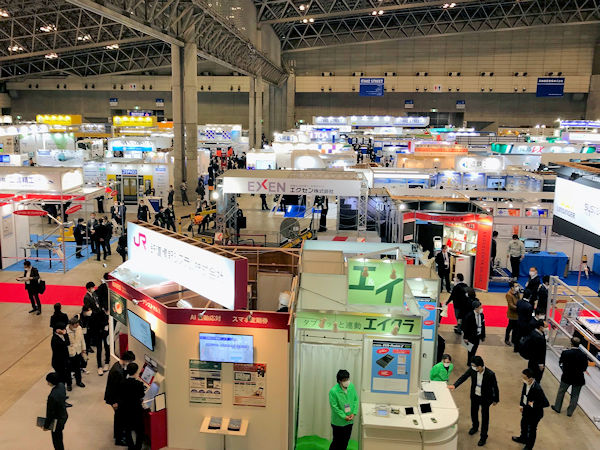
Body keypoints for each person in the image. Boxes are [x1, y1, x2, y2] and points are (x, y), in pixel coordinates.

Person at [448, 356, 499, 447]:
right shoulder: (472, 370)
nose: (473, 367)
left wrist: (496, 399)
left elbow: (495, 387)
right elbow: (464, 377)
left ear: (480, 366)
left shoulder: (490, 374)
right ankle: (475, 427)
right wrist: (455, 385)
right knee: (473, 412)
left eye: (474, 366)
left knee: (485, 417)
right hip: (475, 396)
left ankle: (483, 437)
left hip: (485, 398)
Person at [512, 368, 549, 449]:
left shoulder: (537, 389)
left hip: (535, 414)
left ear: (530, 378)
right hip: (527, 410)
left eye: (524, 378)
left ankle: (529, 447)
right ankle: (523, 438)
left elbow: (546, 403)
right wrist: (521, 405)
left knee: (531, 430)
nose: (522, 379)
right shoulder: (526, 383)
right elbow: (523, 394)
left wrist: (533, 404)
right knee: (523, 424)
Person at [105, 350, 136, 446]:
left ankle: (119, 435)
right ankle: (119, 439)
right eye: (130, 361)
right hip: (115, 399)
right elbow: (113, 388)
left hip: (116, 398)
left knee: (119, 418)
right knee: (119, 419)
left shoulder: (118, 366)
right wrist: (114, 402)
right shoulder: (116, 371)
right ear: (127, 360)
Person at [552, 337, 589, 417]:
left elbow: (560, 363)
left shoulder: (565, 353)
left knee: (561, 392)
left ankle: (557, 407)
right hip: (579, 378)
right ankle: (570, 412)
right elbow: (584, 368)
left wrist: (564, 370)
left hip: (566, 376)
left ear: (571, 343)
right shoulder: (583, 355)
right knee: (575, 395)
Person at [328, 369, 359, 450]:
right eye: (344, 380)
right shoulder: (333, 391)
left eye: (347, 379)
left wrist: (354, 413)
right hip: (338, 422)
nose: (347, 381)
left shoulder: (351, 386)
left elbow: (356, 400)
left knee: (345, 442)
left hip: (349, 421)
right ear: (339, 381)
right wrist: (344, 416)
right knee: (336, 442)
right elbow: (334, 407)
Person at [120, 363, 146, 450]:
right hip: (136, 411)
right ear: (136, 372)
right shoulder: (139, 384)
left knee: (128, 430)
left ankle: (130, 447)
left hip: (126, 410)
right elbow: (142, 395)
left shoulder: (122, 382)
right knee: (140, 431)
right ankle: (138, 447)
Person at [44, 372, 68, 450]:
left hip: (57, 420)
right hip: (63, 415)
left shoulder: (52, 396)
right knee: (59, 436)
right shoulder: (61, 385)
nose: (47, 383)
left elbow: (50, 413)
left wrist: (46, 426)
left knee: (57, 440)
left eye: (48, 381)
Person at [65, 316, 86, 391]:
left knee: (77, 368)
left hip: (78, 351)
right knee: (68, 370)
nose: (78, 325)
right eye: (76, 324)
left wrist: (83, 349)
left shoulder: (79, 328)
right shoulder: (66, 331)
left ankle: (79, 381)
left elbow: (82, 339)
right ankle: (69, 384)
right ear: (71, 325)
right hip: (70, 353)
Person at [462, 300, 485, 366]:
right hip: (470, 336)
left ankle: (472, 361)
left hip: (478, 335)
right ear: (476, 308)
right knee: (470, 350)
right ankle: (469, 362)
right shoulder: (469, 316)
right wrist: (465, 337)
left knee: (474, 349)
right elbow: (466, 327)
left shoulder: (481, 315)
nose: (481, 309)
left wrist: (483, 335)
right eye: (480, 307)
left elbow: (483, 325)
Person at [51, 323, 70, 388]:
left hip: (63, 360)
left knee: (66, 375)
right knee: (61, 378)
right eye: (62, 329)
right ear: (57, 330)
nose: (64, 330)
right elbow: (67, 343)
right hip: (58, 362)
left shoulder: (59, 336)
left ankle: (67, 385)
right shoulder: (55, 339)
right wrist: (65, 334)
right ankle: (61, 389)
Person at [505, 281, 520, 346]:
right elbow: (511, 305)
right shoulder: (508, 294)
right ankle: (506, 339)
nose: (517, 287)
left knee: (515, 328)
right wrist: (519, 308)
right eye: (516, 286)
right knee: (510, 327)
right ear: (512, 287)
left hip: (517, 314)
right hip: (512, 314)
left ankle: (513, 340)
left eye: (517, 286)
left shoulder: (517, 293)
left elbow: (519, 300)